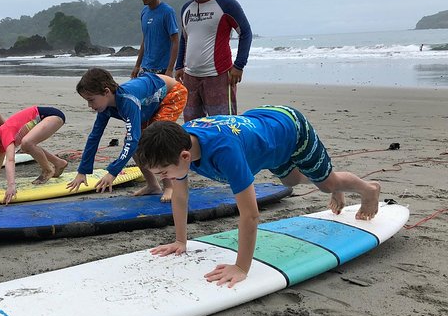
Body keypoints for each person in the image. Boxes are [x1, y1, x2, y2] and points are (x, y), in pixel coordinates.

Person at [133, 106, 382, 288]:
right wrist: (180, 241)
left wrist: (241, 267)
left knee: (328, 184)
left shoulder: (225, 154)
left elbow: (250, 215)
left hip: (291, 129)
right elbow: (180, 196)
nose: (164, 178)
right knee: (291, 181)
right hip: (266, 134)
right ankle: (325, 179)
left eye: (164, 173)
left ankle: (367, 189)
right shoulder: (178, 142)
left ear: (185, 157)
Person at [66, 67, 187, 202]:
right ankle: (153, 186)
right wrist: (82, 171)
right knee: (138, 145)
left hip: (172, 93)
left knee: (156, 141)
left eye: (91, 100)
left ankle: (169, 187)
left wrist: (113, 172)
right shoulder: (105, 107)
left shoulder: (127, 100)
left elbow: (132, 140)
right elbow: (94, 137)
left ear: (106, 92)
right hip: (148, 103)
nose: (89, 105)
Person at [175, 0, 252, 119]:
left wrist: (239, 65)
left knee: (224, 127)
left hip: (219, 76)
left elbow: (245, 33)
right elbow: (184, 38)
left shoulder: (226, 4)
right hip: (190, 78)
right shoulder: (186, 8)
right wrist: (179, 66)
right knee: (192, 127)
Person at [0, 107, 68, 204]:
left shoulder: (4, 132)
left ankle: (48, 169)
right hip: (46, 119)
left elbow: (10, 160)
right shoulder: (0, 142)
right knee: (26, 146)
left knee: (27, 143)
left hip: (52, 116)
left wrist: (11, 186)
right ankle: (59, 163)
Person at [131, 0, 180, 78]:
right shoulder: (144, 12)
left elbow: (175, 41)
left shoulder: (167, 12)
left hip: (162, 69)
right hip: (145, 68)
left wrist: (170, 70)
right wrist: (137, 65)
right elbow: (145, 40)